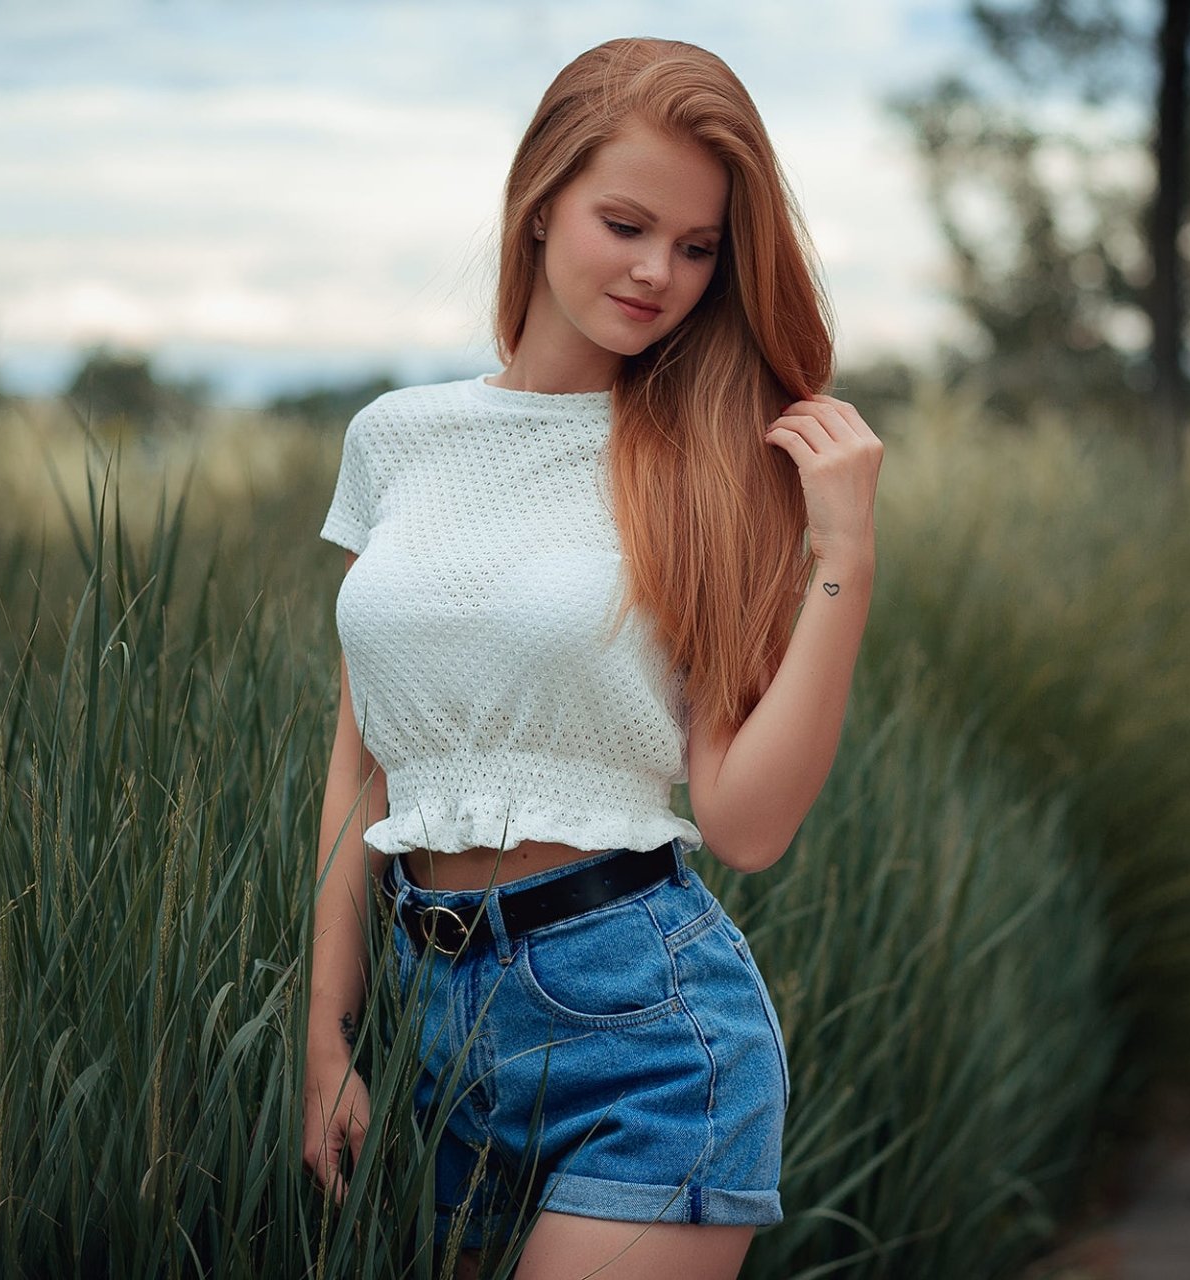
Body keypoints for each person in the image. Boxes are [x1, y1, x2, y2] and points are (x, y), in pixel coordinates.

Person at [300, 36, 882, 1279]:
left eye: (697, 246)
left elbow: (747, 821)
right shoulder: (396, 440)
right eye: (626, 223)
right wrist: (325, 1034)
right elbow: (361, 763)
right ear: (539, 201)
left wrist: (845, 557)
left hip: (648, 1028)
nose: (657, 272)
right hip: (428, 1026)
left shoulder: (712, 469)